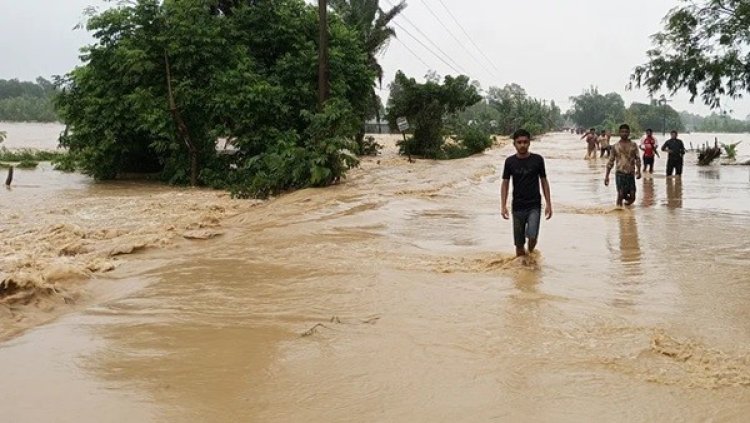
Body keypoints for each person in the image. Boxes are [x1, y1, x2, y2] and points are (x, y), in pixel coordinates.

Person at [501, 129, 553, 257]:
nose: (522, 145)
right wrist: (503, 205)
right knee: (519, 247)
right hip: (517, 206)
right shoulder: (509, 162)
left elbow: (544, 181)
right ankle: (522, 271)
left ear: (529, 143)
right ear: (514, 144)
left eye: (525, 142)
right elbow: (505, 184)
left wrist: (548, 203)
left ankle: (530, 255)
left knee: (533, 236)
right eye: (519, 142)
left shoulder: (538, 160)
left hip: (534, 205)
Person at [604, 124, 642, 206]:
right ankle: (619, 214)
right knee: (620, 195)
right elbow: (610, 161)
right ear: (619, 133)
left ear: (629, 133)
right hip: (620, 173)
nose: (624, 133)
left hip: (630, 173)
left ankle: (626, 210)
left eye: (626, 132)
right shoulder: (615, 146)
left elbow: (638, 159)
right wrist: (607, 176)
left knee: (632, 197)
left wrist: (639, 171)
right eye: (622, 132)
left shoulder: (633, 145)